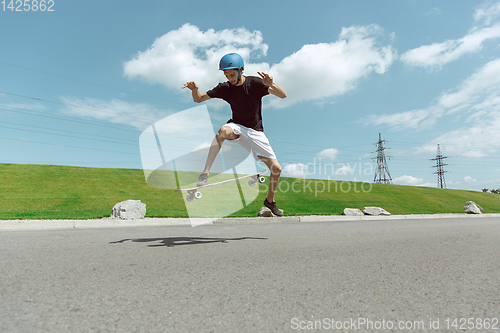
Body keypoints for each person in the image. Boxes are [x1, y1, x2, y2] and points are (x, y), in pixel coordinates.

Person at [182, 53, 287, 216]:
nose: (229, 78)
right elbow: (199, 99)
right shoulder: (224, 88)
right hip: (237, 127)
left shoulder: (255, 83)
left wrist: (272, 85)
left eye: (232, 74)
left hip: (255, 132)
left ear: (241, 70)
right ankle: (206, 172)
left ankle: (270, 201)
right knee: (222, 131)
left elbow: (283, 95)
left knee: (277, 169)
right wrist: (194, 89)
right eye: (226, 75)